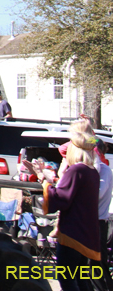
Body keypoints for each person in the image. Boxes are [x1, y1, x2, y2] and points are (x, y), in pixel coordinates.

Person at [24, 121, 100, 291]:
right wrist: (50, 180)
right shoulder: (91, 171)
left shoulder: (76, 170)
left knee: (66, 278)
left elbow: (62, 199)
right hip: (86, 233)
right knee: (80, 279)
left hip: (73, 233)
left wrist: (43, 180)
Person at [91, 140, 113, 291]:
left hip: (98, 223)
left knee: (96, 265)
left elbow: (97, 194)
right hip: (88, 223)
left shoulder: (103, 170)